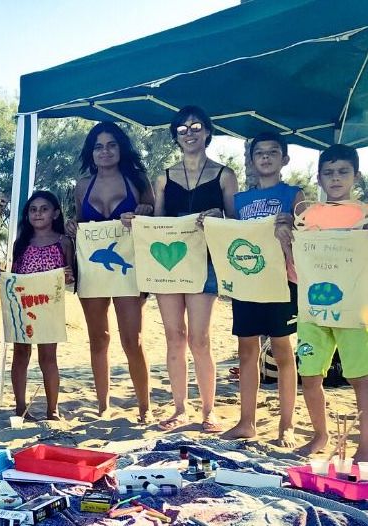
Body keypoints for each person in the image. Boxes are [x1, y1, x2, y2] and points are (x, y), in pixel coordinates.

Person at [152, 106, 239, 433]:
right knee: (175, 337)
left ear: (207, 132)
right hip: (168, 266)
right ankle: (179, 408)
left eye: (195, 127)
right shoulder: (164, 177)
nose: (189, 133)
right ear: (176, 136)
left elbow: (236, 224)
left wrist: (219, 214)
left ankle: (208, 410)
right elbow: (156, 225)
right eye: (182, 129)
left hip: (206, 264)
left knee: (199, 339)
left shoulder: (224, 175)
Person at [67, 121, 154, 423]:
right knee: (98, 339)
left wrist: (143, 213)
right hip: (92, 269)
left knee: (133, 339)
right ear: (91, 153)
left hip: (129, 269)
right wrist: (71, 227)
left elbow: (155, 221)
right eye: (98, 147)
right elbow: (79, 227)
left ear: (121, 147)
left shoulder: (138, 180)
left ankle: (145, 406)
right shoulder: (81, 186)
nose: (105, 151)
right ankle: (103, 405)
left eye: (111, 145)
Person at [222, 131, 303, 446]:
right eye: (260, 153)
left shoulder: (294, 195)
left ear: (284, 159)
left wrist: (292, 226)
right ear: (252, 161)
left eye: (273, 152)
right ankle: (247, 422)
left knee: (283, 351)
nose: (266, 157)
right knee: (247, 352)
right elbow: (230, 237)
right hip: (246, 284)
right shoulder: (240, 201)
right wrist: (214, 221)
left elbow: (306, 236)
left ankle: (287, 425)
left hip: (281, 284)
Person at [294, 144, 368, 458]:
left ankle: (364, 446)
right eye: (328, 173)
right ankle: (320, 435)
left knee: (360, 378)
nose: (335, 179)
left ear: (356, 175)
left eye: (342, 172)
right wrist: (285, 233)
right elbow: (293, 259)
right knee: (310, 375)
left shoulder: (364, 215)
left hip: (355, 310)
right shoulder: (307, 215)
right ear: (319, 178)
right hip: (311, 309)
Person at [9, 190, 74, 421]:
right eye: (33, 209)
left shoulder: (63, 242)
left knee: (48, 357)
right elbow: (14, 275)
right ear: (27, 215)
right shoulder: (21, 243)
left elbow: (71, 275)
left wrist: (69, 275)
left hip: (49, 307)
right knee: (21, 354)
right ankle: (20, 407)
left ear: (55, 213)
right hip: (23, 306)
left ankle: (52, 409)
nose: (38, 214)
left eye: (44, 209)